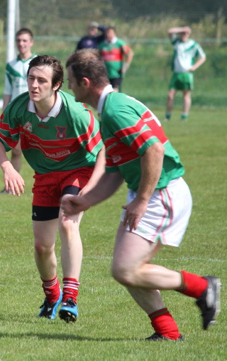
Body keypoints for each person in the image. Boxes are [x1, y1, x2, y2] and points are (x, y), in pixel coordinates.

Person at [63, 49, 220, 340]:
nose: (68, 86)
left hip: (162, 193)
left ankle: (203, 288)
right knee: (126, 268)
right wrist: (85, 201)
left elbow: (154, 150)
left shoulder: (114, 110)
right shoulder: (111, 106)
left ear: (85, 82)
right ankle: (168, 333)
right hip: (150, 192)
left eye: (70, 80)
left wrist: (143, 200)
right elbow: (115, 170)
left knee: (125, 269)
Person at [0, 55, 104, 322]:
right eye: (31, 78)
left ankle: (70, 298)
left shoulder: (76, 112)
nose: (34, 85)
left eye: (42, 80)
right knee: (42, 246)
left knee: (67, 223)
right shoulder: (19, 108)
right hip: (44, 175)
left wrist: (94, 189)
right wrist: (7, 167)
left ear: (57, 85)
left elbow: (103, 152)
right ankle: (52, 296)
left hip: (79, 170)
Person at [0, 28, 37, 194]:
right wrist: (4, 113)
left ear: (31, 42)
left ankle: (50, 184)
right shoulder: (11, 66)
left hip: (36, 111)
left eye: (24, 40)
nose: (21, 44)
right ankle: (12, 187)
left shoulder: (38, 62)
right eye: (18, 40)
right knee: (16, 149)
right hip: (17, 112)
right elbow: (8, 90)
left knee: (43, 148)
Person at [165, 26, 206, 121]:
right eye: (181, 33)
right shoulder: (176, 42)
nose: (183, 35)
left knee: (186, 95)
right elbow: (169, 31)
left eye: (184, 33)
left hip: (186, 74)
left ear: (188, 34)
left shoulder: (193, 44)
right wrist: (182, 29)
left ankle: (184, 116)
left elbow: (202, 57)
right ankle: (167, 116)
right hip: (176, 73)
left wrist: (194, 67)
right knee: (170, 95)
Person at [98, 26, 133, 92]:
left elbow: (130, 54)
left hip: (116, 73)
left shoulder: (119, 43)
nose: (109, 35)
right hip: (105, 74)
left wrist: (125, 66)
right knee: (105, 92)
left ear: (114, 34)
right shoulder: (102, 45)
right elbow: (98, 57)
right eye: (107, 33)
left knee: (114, 91)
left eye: (110, 33)